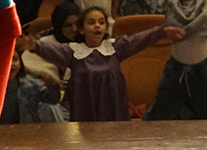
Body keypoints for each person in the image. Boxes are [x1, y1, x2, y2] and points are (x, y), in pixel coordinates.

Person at [20, 8, 182, 123]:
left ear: (105, 29)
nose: (97, 25)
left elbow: (140, 39)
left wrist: (162, 32)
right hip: (85, 114)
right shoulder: (73, 51)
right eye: (91, 22)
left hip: (114, 111)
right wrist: (33, 45)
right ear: (81, 29)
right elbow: (48, 49)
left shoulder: (115, 47)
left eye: (101, 22)